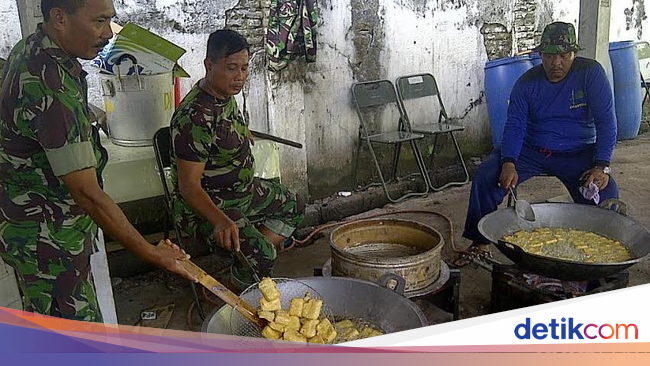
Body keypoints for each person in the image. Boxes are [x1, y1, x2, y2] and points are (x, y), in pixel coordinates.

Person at [0, 0, 196, 323]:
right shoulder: (49, 84)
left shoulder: (36, 50)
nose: (108, 33)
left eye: (110, 21)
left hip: (45, 234)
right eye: (99, 22)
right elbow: (88, 193)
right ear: (60, 18)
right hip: (48, 244)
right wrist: (152, 252)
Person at [462, 22, 619, 255]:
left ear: (574, 53)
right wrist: (508, 162)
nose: (556, 63)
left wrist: (601, 166)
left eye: (564, 55)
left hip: (578, 152)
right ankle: (479, 242)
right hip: (532, 150)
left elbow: (606, 122)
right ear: (541, 55)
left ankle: (594, 255)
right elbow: (515, 126)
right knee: (487, 176)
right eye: (549, 56)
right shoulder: (526, 84)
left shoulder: (591, 74)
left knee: (605, 194)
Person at [171, 29, 306, 292]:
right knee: (264, 255)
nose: (240, 77)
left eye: (244, 68)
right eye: (232, 68)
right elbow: (188, 188)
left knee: (295, 206)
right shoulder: (195, 118)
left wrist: (242, 133)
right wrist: (220, 220)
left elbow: (225, 124)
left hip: (243, 193)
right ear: (209, 65)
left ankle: (244, 267)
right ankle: (234, 293)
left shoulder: (224, 95)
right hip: (211, 205)